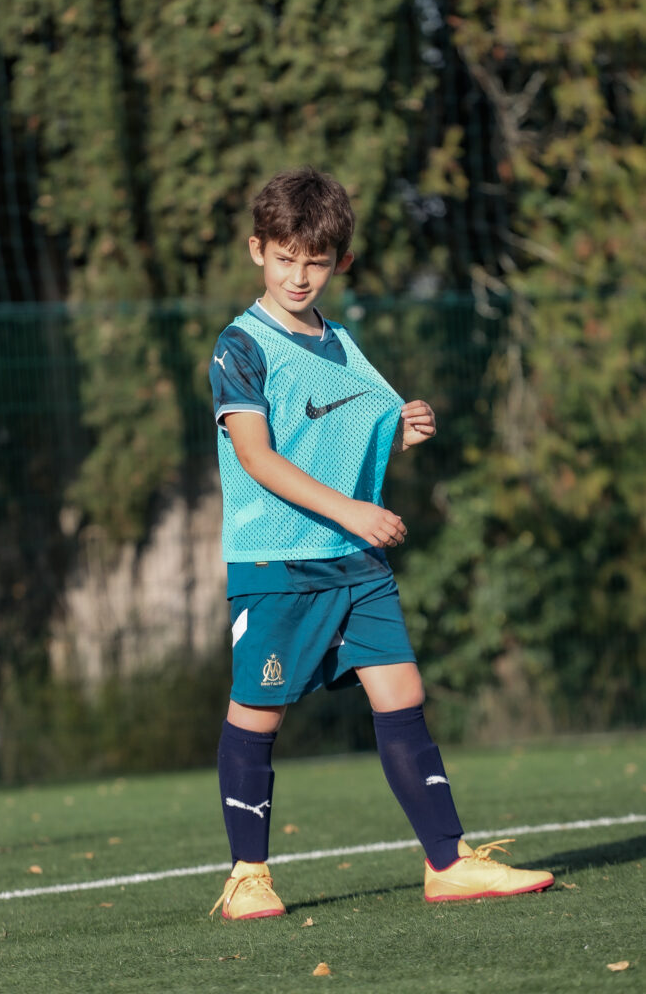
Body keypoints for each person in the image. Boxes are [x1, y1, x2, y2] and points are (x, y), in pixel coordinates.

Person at [208, 167, 553, 920]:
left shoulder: (341, 341)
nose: (299, 276)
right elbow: (259, 458)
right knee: (257, 713)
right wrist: (355, 513)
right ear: (256, 250)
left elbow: (334, 433)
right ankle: (247, 876)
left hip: (353, 560)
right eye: (285, 258)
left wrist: (398, 431)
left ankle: (447, 862)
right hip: (278, 560)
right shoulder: (241, 344)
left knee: (402, 695)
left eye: (316, 261)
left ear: (340, 263)